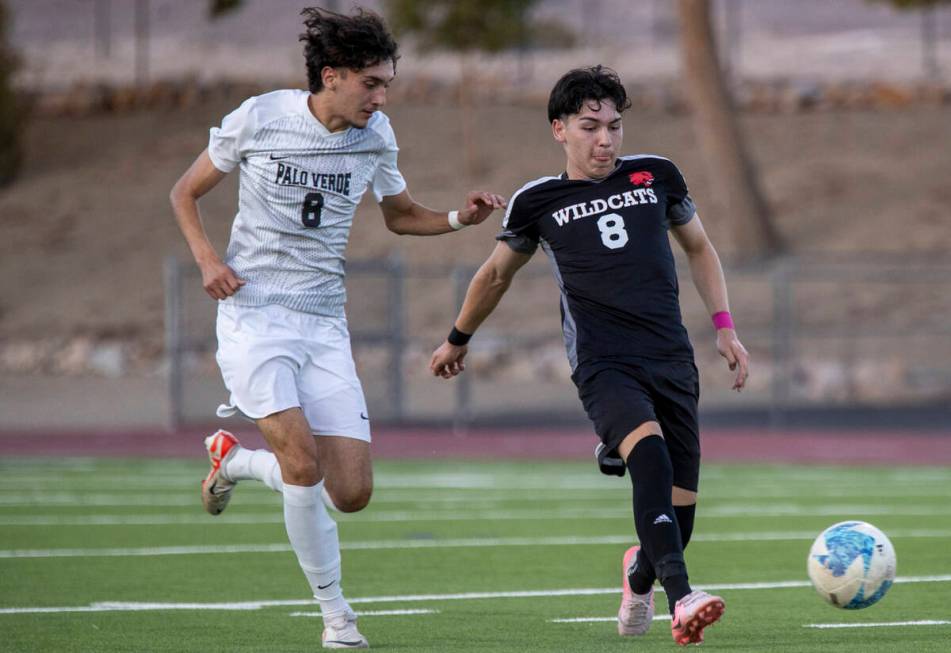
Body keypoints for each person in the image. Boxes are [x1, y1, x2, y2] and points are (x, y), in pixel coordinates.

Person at [169, 7, 505, 650]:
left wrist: (461, 219)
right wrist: (208, 261)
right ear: (331, 75)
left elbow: (401, 217)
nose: (381, 98)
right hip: (254, 314)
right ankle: (337, 616)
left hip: (324, 321)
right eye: (371, 84)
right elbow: (185, 192)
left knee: (350, 492)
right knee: (300, 461)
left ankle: (233, 461)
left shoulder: (377, 137)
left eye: (386, 85)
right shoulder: (261, 117)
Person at [429, 65, 750, 647]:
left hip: (672, 359)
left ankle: (640, 573)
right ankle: (683, 599)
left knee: (681, 518)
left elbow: (700, 248)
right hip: (603, 364)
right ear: (559, 130)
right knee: (649, 459)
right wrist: (458, 336)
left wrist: (725, 328)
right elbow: (496, 274)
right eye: (589, 127)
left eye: (613, 126)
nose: (605, 139)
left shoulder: (658, 176)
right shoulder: (537, 200)